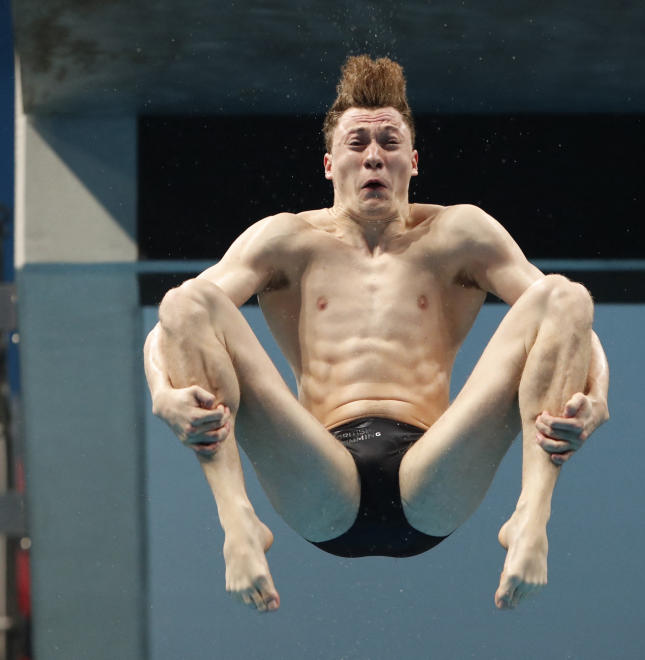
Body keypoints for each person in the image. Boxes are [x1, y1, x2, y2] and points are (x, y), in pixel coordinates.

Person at [143, 55, 610, 614]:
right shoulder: (286, 240)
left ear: (412, 162)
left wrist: (598, 394)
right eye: (357, 142)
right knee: (187, 299)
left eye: (389, 142)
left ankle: (532, 519)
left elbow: (572, 319)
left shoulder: (458, 232)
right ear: (328, 163)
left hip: (433, 472)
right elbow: (170, 326)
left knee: (564, 293)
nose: (373, 156)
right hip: (319, 474)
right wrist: (162, 397)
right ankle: (237, 521)